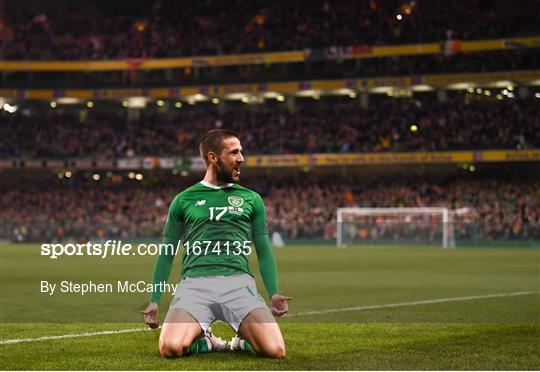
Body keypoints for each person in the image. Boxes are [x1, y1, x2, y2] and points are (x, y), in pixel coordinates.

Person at [141, 129, 291, 358]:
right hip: (194, 284)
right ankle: (205, 341)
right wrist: (154, 300)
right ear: (213, 157)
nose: (241, 158)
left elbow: (263, 250)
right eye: (234, 152)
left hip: (238, 283)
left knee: (276, 350)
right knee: (169, 348)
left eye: (241, 152)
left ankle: (242, 341)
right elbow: (167, 253)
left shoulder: (252, 199)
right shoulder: (183, 200)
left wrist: (274, 293)